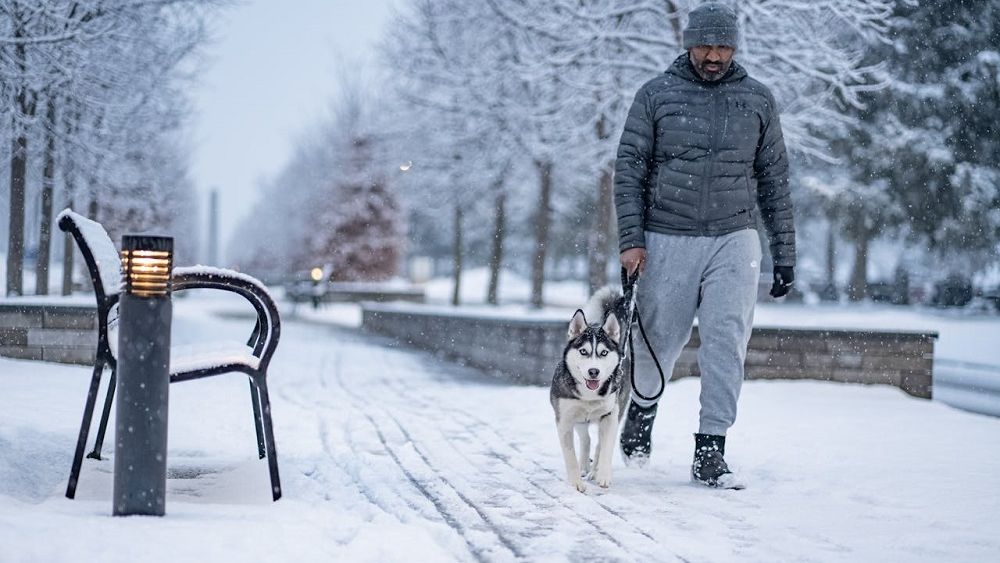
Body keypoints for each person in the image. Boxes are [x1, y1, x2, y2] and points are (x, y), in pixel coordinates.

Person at [613, 2, 795, 488]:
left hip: (735, 236)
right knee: (658, 342)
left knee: (726, 341)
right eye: (706, 45)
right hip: (667, 234)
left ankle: (711, 449)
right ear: (689, 43)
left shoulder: (757, 99)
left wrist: (784, 253)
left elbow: (774, 179)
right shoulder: (655, 95)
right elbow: (629, 169)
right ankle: (643, 410)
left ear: (735, 47)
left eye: (724, 46)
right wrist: (631, 241)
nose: (714, 55)